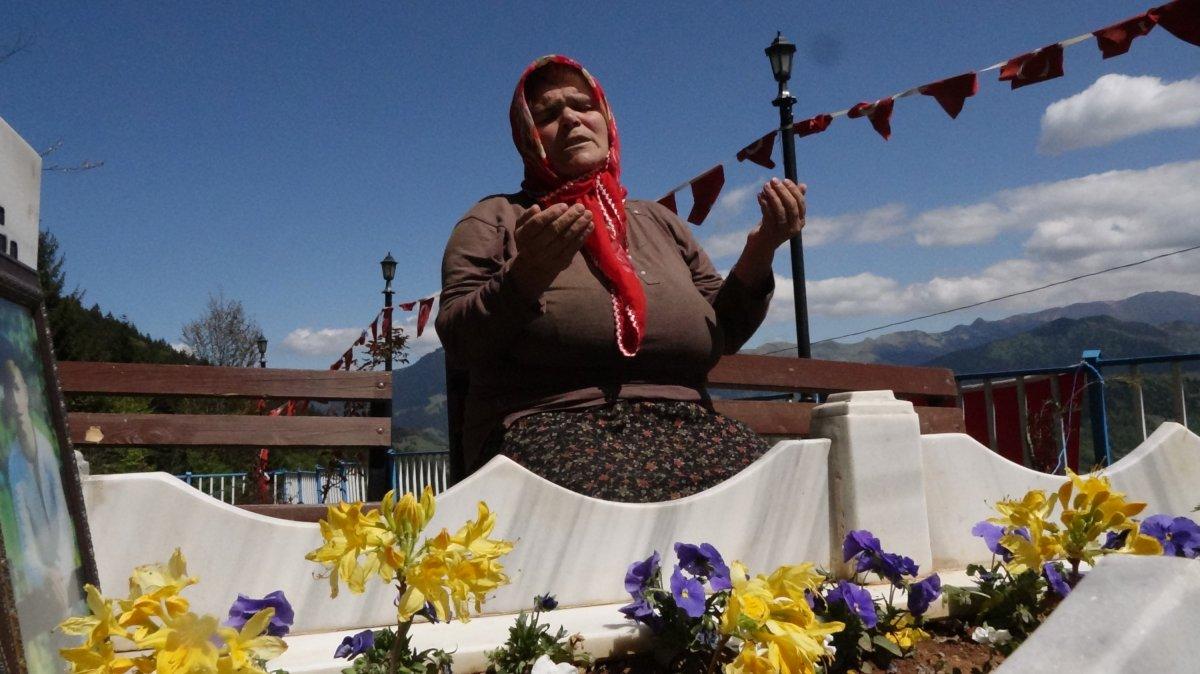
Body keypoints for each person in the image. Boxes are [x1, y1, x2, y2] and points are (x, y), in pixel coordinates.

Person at [435, 55, 806, 502]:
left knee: (789, 496)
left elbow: (723, 332)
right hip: (552, 424)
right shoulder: (494, 220)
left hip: (689, 426)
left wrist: (762, 247)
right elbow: (460, 340)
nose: (571, 118)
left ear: (606, 119)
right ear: (527, 138)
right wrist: (525, 277)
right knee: (628, 498)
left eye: (582, 105)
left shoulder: (658, 221)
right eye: (548, 115)